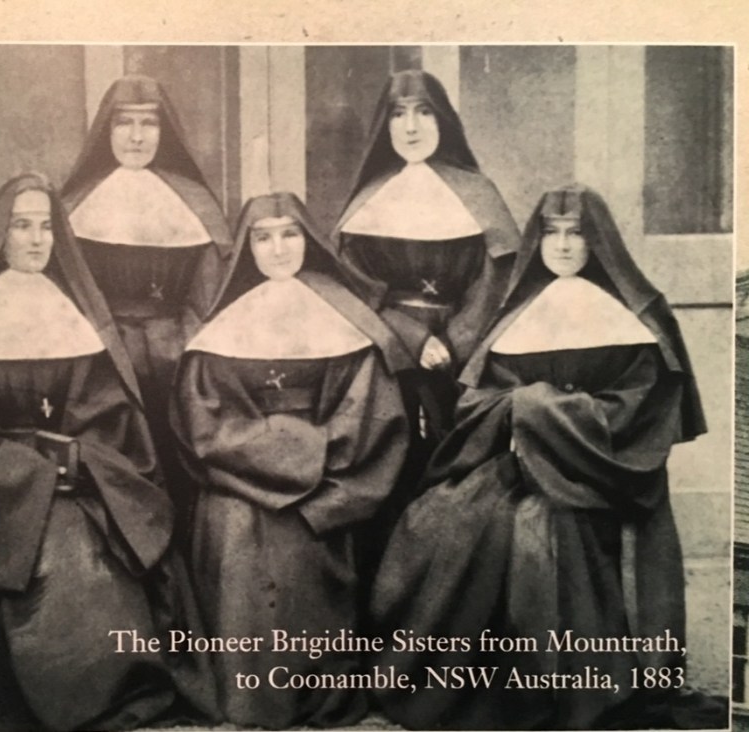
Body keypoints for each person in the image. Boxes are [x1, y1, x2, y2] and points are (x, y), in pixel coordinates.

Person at [369, 185, 711, 729]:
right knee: (444, 521)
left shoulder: (638, 316)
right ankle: (478, 684)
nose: (564, 245)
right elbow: (478, 402)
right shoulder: (515, 312)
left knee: (543, 527)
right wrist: (518, 413)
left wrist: (535, 408)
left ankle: (565, 694)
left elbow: (641, 411)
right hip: (518, 462)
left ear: (598, 242)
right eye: (552, 233)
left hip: (604, 471)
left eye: (577, 233)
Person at [0, 173, 215, 731]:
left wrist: (80, 460)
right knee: (41, 547)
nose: (36, 240)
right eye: (21, 226)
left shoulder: (77, 319)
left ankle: (92, 694)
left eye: (45, 227)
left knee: (82, 547)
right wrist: (29, 471)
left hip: (77, 481)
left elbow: (108, 420)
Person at [172, 192, 410, 729]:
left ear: (309, 241)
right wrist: (283, 462)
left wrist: (313, 471)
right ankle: (246, 697)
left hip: (326, 486)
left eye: (289, 234)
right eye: (263, 237)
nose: (278, 249)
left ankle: (312, 694)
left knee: (301, 545)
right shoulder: (221, 328)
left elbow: (368, 417)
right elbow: (204, 425)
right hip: (238, 482)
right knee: (234, 529)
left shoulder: (347, 324)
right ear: (247, 248)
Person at [333, 68, 522, 579]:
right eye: (398, 114)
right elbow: (354, 289)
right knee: (390, 469)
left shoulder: (477, 193)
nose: (411, 127)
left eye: (423, 113)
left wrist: (455, 342)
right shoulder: (370, 197)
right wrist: (414, 339)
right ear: (385, 126)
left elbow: (496, 281)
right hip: (389, 353)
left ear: (443, 122)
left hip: (466, 355)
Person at [61, 74, 231, 536]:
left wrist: (183, 347)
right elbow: (67, 296)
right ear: (107, 130)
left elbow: (209, 294)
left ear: (164, 131)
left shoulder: (195, 201)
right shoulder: (76, 203)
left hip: (176, 357)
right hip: (103, 360)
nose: (136, 137)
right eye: (124, 123)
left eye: (149, 123)